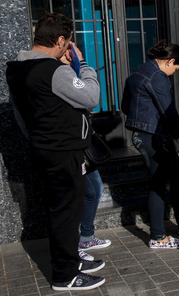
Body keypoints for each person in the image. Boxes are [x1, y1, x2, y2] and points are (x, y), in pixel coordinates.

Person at [6, 13, 105, 291]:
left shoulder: (16, 69)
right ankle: (65, 275)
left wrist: (37, 138)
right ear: (61, 41)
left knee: (63, 209)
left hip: (44, 148)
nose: (69, 48)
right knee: (66, 212)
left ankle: (70, 260)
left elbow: (20, 114)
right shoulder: (55, 71)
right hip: (64, 152)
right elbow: (91, 96)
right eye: (68, 43)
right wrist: (82, 64)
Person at [122, 41, 179, 250]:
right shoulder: (158, 77)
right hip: (154, 137)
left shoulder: (136, 74)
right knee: (158, 183)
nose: (173, 73)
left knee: (177, 174)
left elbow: (125, 106)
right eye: (175, 69)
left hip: (143, 134)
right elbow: (168, 112)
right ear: (169, 61)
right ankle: (158, 236)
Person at [65, 49, 112, 260]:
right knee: (79, 195)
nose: (71, 53)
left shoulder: (67, 72)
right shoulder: (59, 74)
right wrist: (82, 63)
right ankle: (77, 242)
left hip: (82, 145)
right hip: (70, 147)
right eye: (68, 49)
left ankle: (86, 235)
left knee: (95, 189)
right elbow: (91, 97)